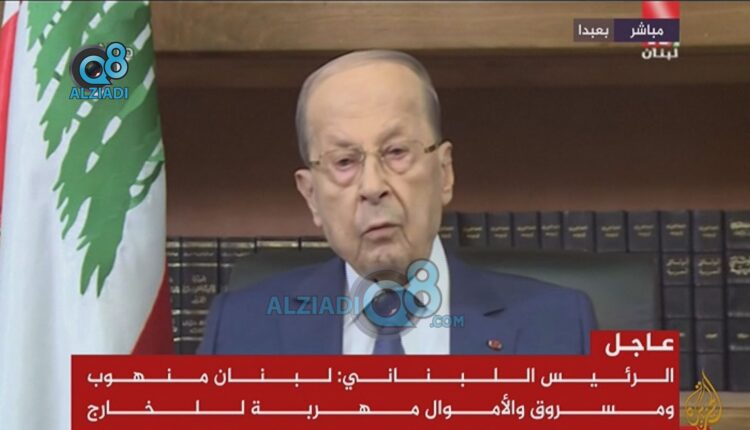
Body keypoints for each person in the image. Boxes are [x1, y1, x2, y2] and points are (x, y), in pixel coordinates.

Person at [198, 50, 597, 355]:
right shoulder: (240, 331)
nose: (373, 187)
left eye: (396, 152)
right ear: (311, 196)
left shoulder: (558, 327)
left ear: (444, 172)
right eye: (344, 162)